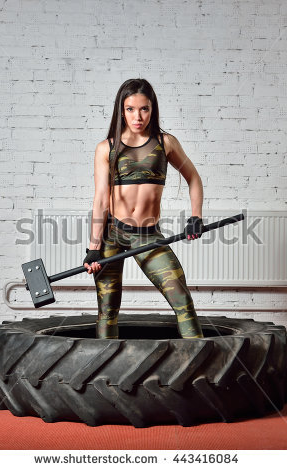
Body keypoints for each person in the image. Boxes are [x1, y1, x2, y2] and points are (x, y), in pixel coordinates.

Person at [83, 78, 205, 340]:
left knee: (182, 299)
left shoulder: (166, 142)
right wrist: (93, 249)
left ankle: (202, 364)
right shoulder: (107, 148)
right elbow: (101, 199)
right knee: (107, 309)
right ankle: (105, 369)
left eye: (144, 109)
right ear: (121, 110)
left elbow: (193, 178)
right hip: (112, 234)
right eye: (130, 109)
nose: (137, 116)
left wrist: (196, 216)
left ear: (152, 109)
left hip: (147, 234)